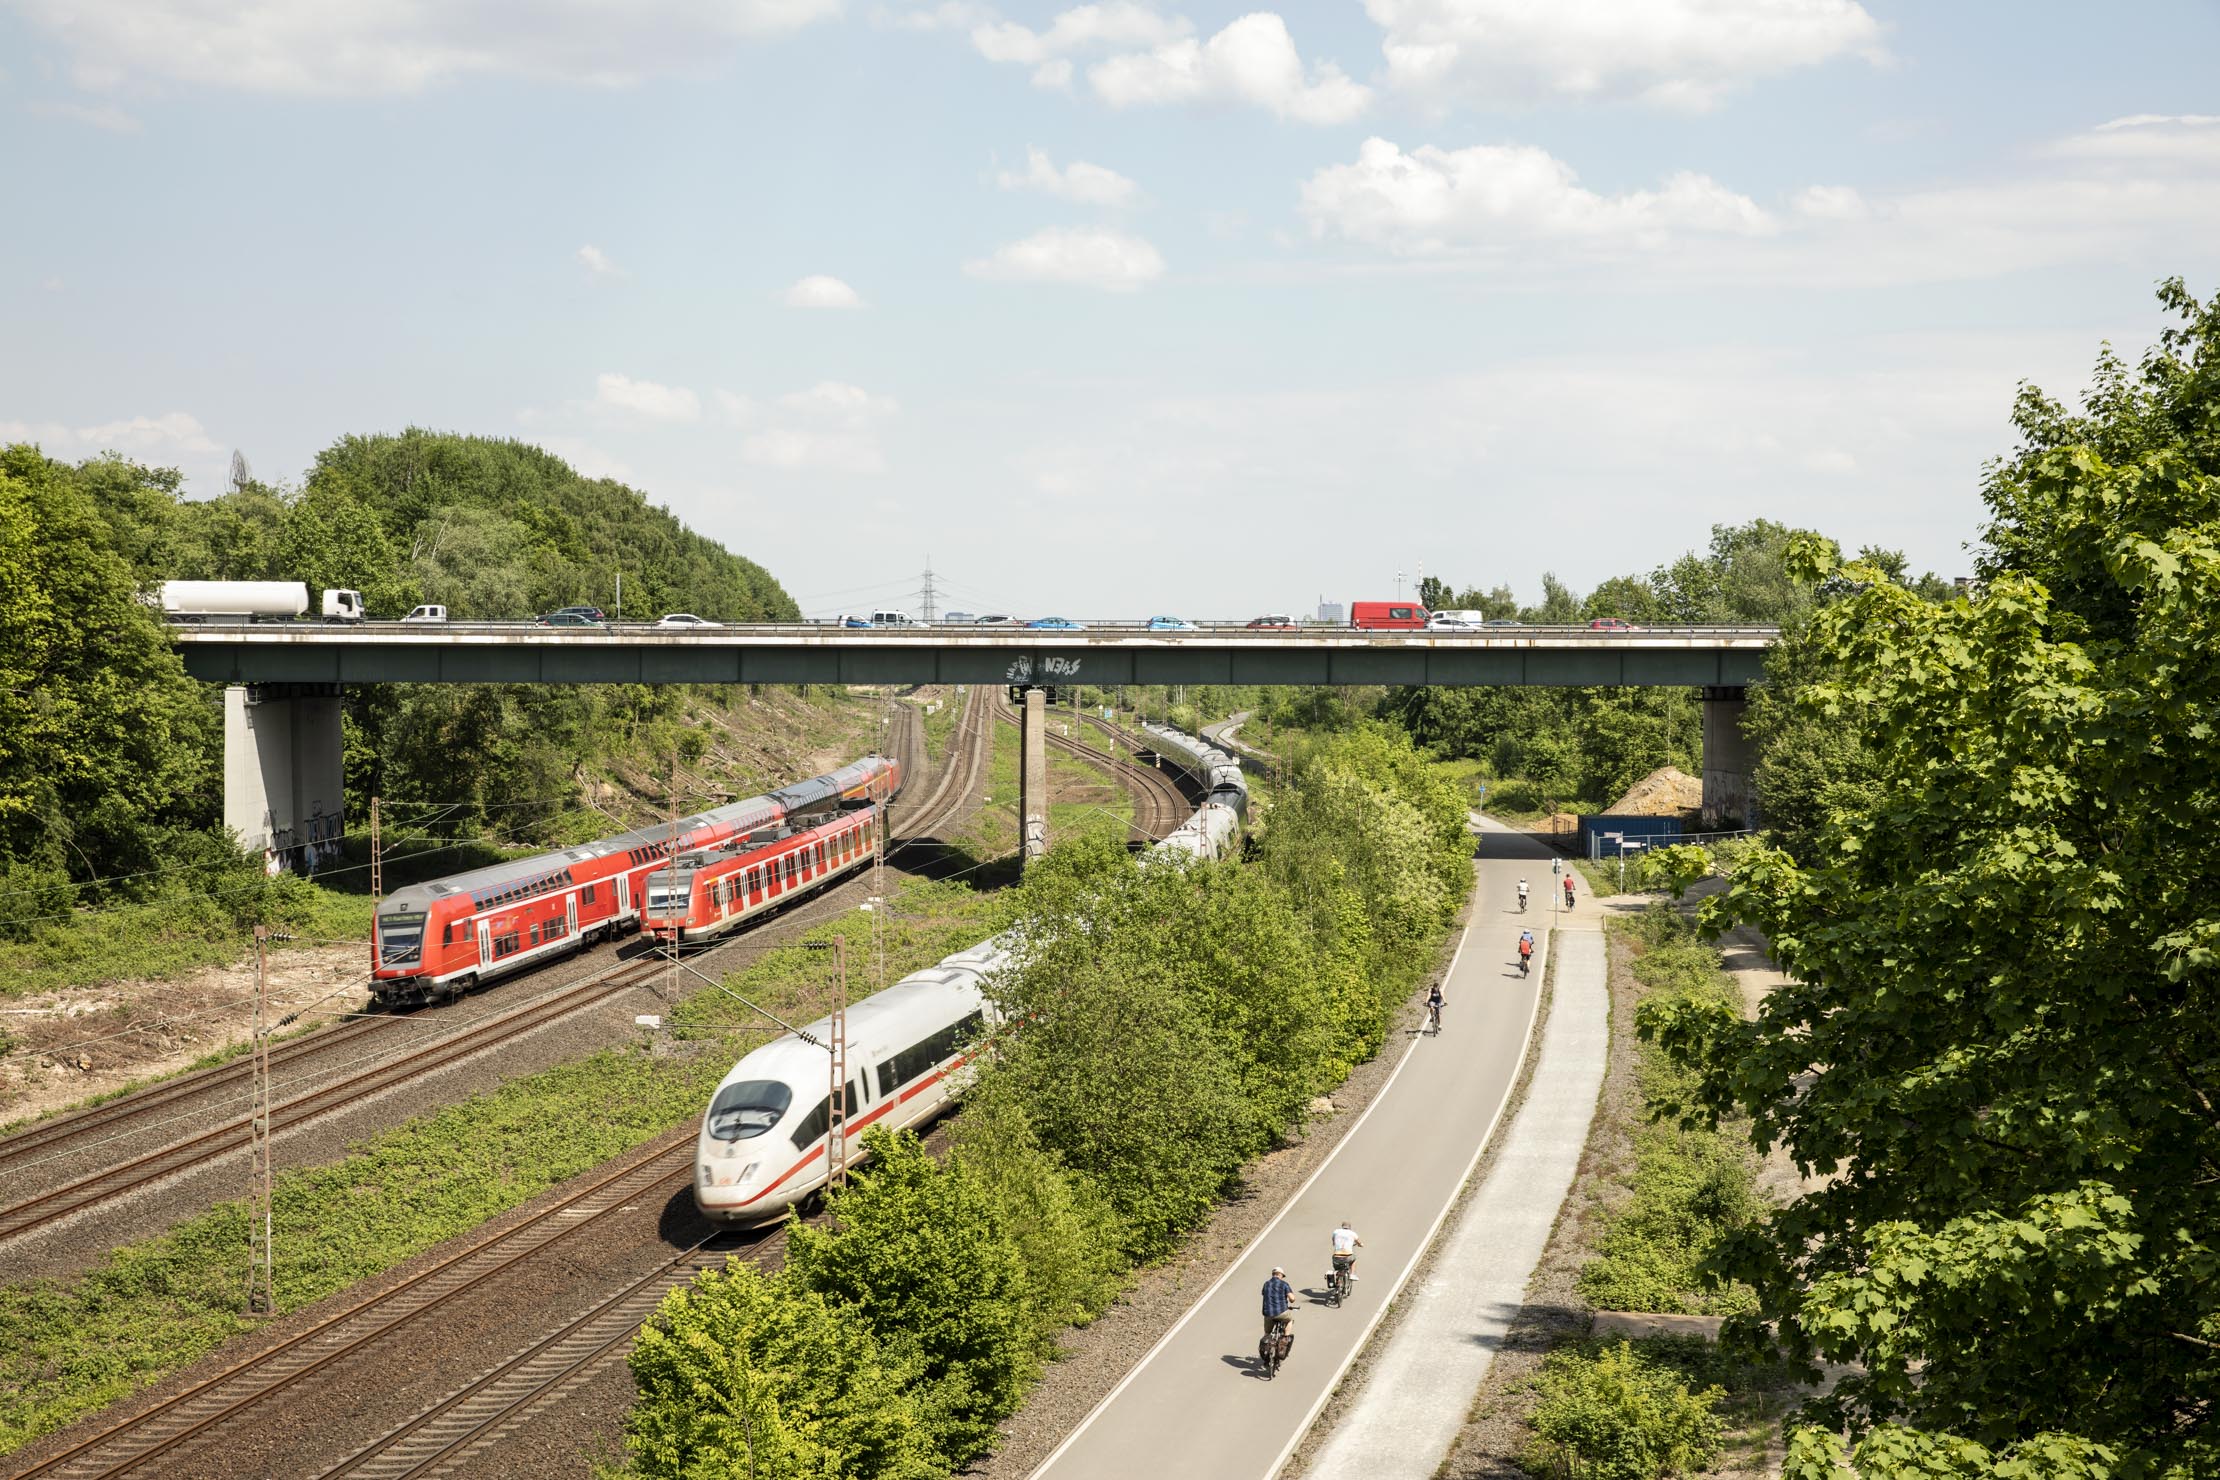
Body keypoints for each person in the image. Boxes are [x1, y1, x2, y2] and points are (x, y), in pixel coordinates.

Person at [1262, 1265, 1295, 1352]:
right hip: (1281, 1312)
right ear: (1280, 1275)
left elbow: (1263, 1294)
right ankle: (1285, 1338)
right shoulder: (1284, 1284)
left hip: (1268, 1313)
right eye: (1282, 1276)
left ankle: (1266, 1351)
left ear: (1273, 1274)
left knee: (1267, 1334)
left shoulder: (1266, 1284)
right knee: (1290, 1320)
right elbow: (1292, 1298)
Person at [1330, 1220, 1363, 1293]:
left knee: (1337, 1269)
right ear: (1349, 1227)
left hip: (1336, 1256)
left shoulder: (1336, 1231)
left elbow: (1333, 1240)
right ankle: (1352, 1274)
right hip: (1347, 1256)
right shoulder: (1352, 1233)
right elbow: (1358, 1242)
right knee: (1354, 1260)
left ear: (1342, 1226)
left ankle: (1337, 1284)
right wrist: (1361, 1245)